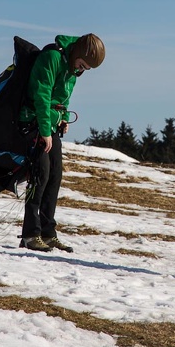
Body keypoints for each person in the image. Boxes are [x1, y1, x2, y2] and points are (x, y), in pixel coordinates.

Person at [18, 33, 105, 252]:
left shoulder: (72, 70)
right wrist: (45, 130)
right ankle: (30, 235)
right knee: (40, 174)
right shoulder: (52, 58)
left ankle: (48, 234)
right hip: (33, 122)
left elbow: (63, 98)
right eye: (82, 64)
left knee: (55, 175)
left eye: (87, 68)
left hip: (50, 126)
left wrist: (63, 118)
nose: (82, 70)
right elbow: (42, 94)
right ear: (77, 53)